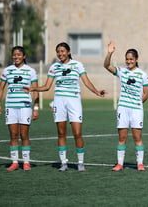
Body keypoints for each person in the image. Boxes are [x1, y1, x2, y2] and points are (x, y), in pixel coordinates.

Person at [25, 42, 105, 172]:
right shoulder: (54, 67)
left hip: (74, 101)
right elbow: (46, 86)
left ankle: (80, 163)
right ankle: (63, 163)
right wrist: (33, 88)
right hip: (59, 102)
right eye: (58, 51)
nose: (60, 54)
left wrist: (96, 91)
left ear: (68, 52)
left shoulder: (77, 65)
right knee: (61, 133)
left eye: (62, 51)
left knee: (77, 133)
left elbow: (86, 81)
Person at [103, 42, 148, 171]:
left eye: (131, 59)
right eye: (127, 59)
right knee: (122, 137)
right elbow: (106, 65)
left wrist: (138, 104)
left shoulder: (143, 75)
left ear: (136, 60)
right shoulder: (121, 72)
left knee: (137, 137)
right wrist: (110, 52)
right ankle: (120, 164)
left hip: (136, 110)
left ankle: (140, 164)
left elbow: (146, 94)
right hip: (123, 109)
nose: (129, 61)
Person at [0, 46, 39, 171]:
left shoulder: (30, 71)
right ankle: (14, 162)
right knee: (13, 135)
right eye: (14, 55)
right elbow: (0, 88)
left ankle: (26, 162)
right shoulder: (7, 70)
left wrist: (36, 107)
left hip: (25, 106)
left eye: (19, 54)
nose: (16, 57)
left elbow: (35, 91)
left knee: (24, 134)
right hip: (10, 106)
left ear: (24, 56)